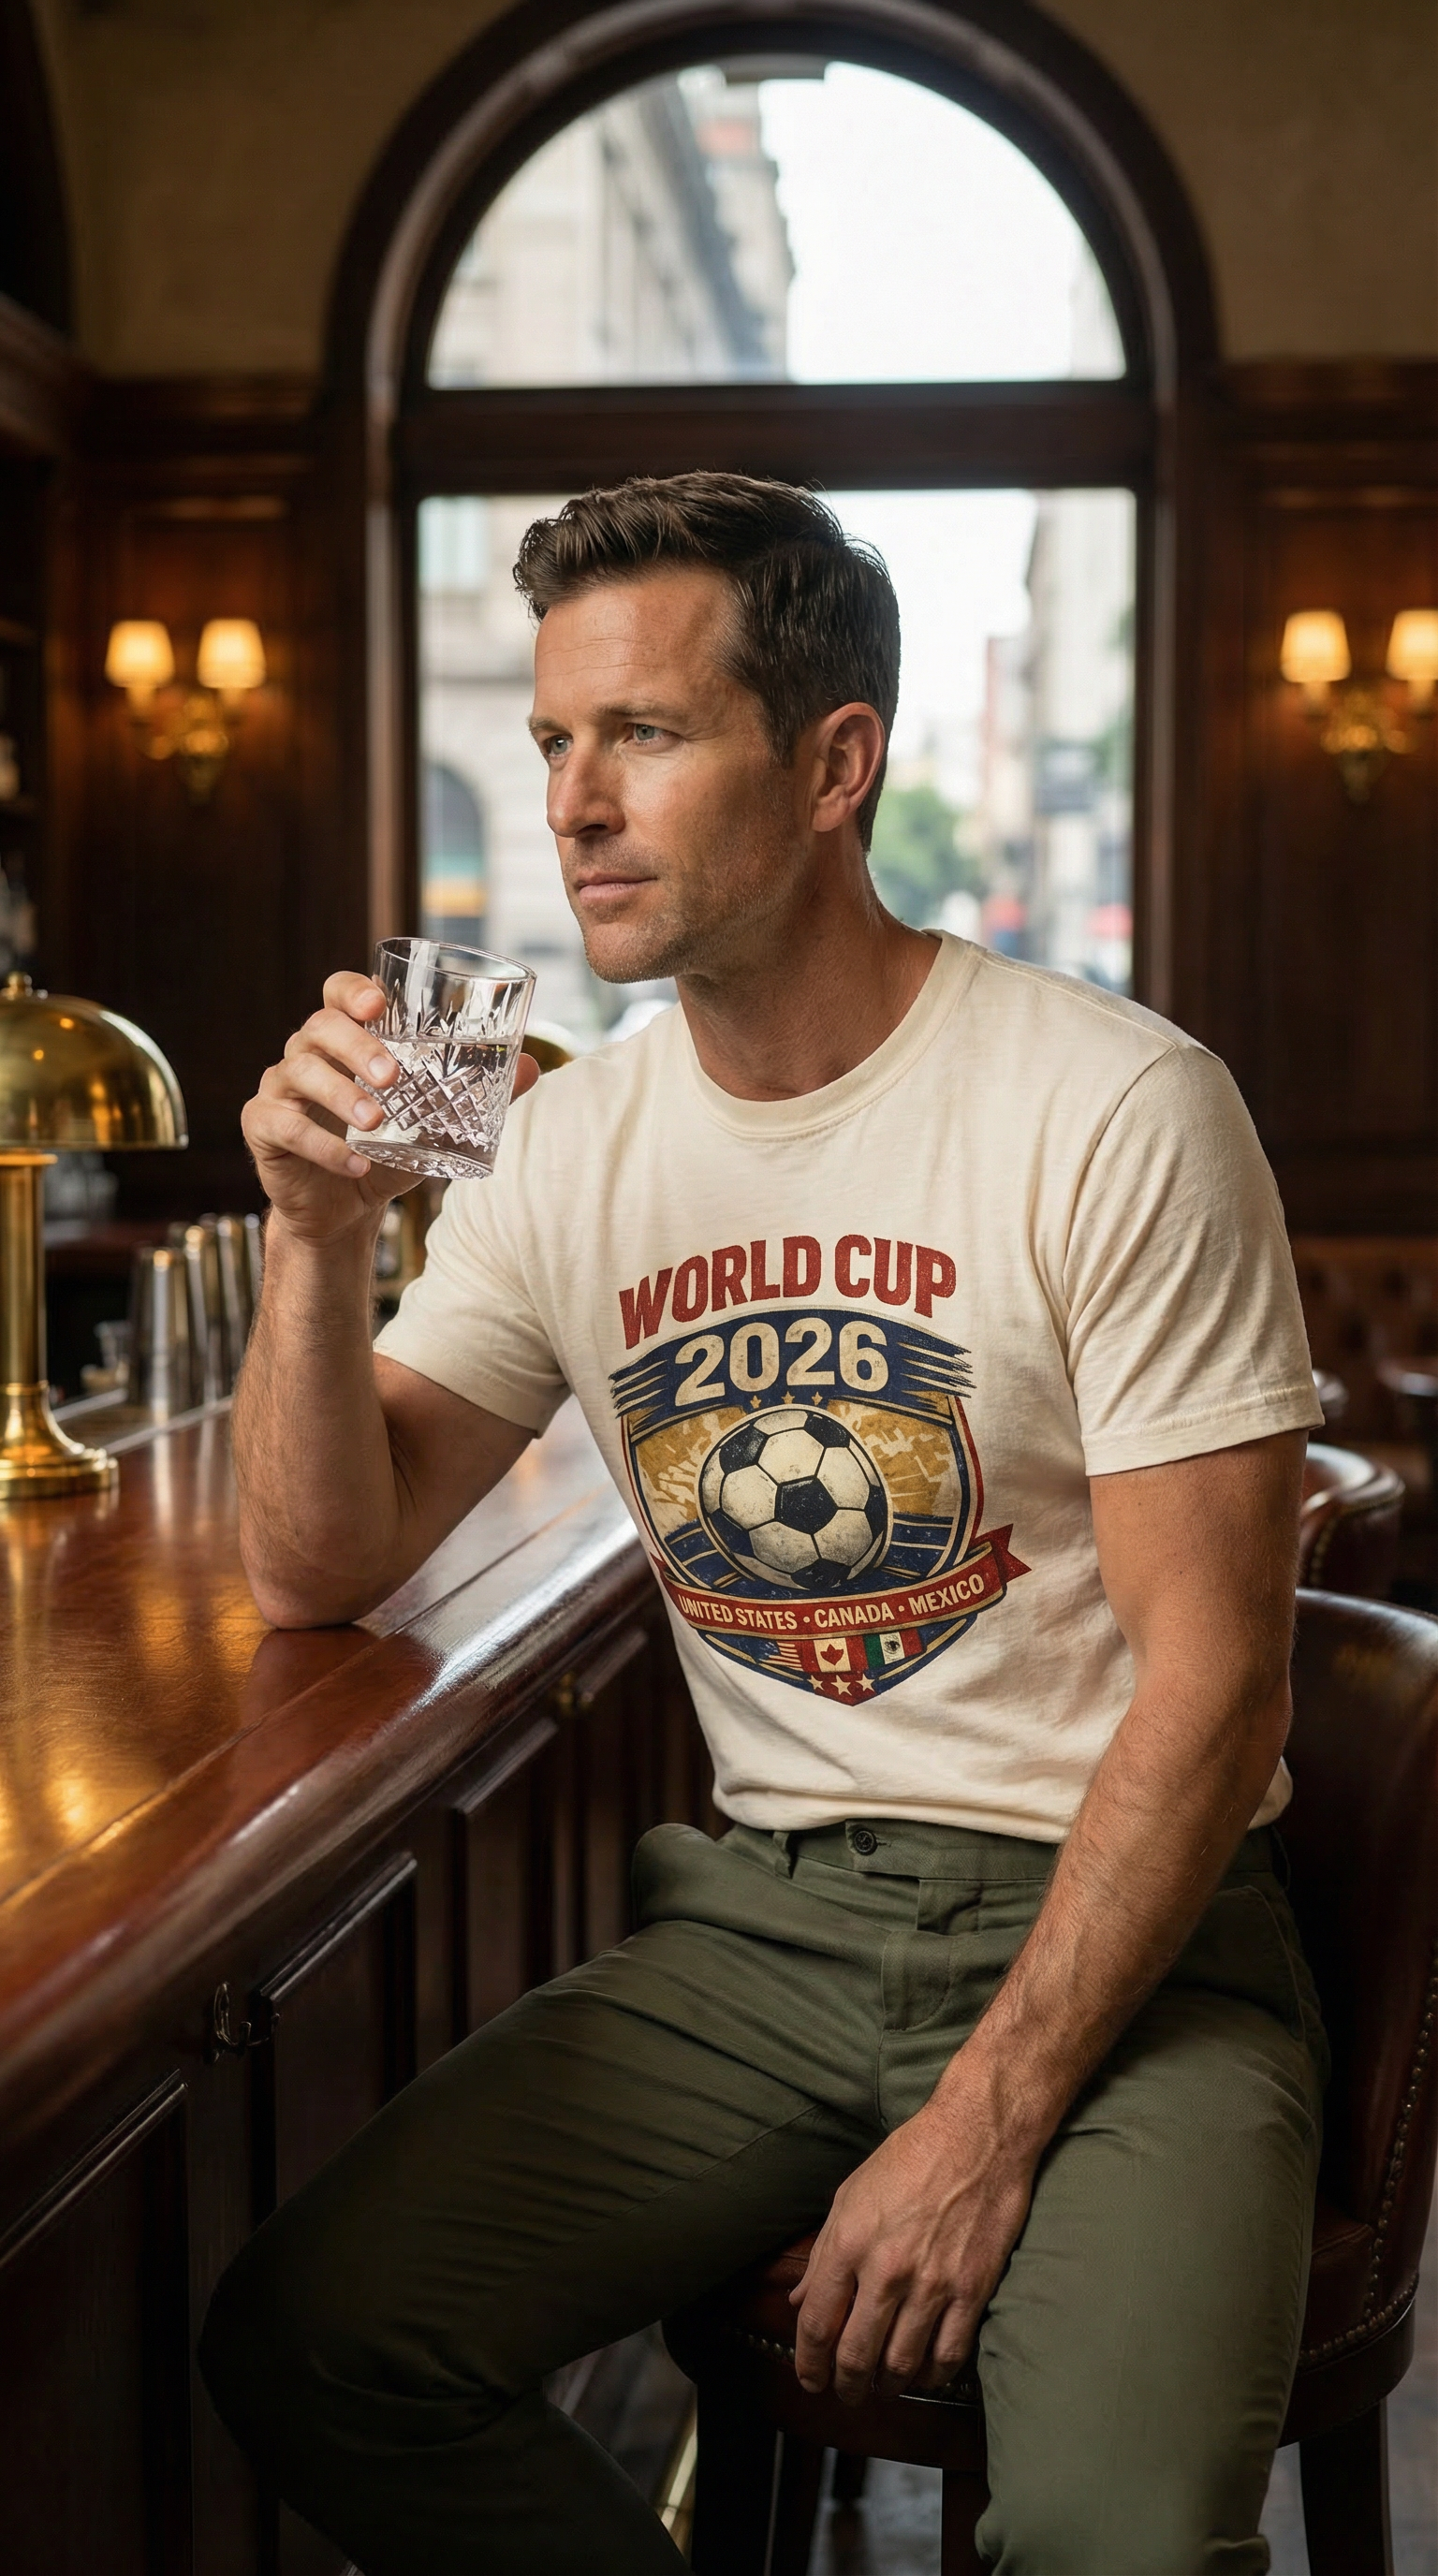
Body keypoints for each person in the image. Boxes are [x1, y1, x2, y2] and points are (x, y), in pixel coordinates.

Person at [200, 473, 1327, 2576]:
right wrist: (308, 1239)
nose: (574, 804)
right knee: (320, 2335)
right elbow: (315, 1562)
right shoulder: (562, 1139)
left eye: (646, 733)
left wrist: (983, 2125)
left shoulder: (1114, 1102)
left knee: (1117, 2537)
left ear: (836, 763)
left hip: (1131, 1934)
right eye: (554, 740)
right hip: (773, 1925)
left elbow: (1221, 1676)